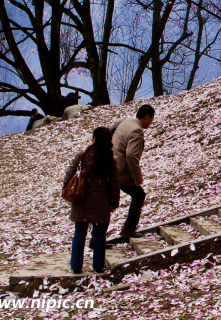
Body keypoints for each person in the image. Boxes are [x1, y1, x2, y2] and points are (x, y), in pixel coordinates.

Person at [63, 126, 119, 274]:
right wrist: (114, 202)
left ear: (94, 139)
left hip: (82, 200)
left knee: (79, 234)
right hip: (102, 202)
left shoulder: (82, 155)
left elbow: (69, 174)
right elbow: (114, 183)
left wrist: (66, 189)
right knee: (100, 235)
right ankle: (98, 266)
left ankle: (76, 267)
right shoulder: (110, 158)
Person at [112, 104, 154, 239]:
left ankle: (96, 238)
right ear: (147, 117)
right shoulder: (137, 130)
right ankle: (128, 229)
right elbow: (131, 155)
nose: (150, 123)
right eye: (151, 120)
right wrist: (137, 175)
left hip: (111, 166)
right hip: (120, 171)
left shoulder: (125, 122)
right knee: (139, 195)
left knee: (108, 202)